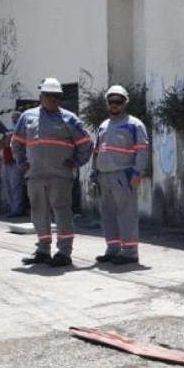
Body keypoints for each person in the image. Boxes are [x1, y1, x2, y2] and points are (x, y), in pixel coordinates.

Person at [12, 78, 93, 267]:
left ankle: (64, 252)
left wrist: (76, 162)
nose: (53, 100)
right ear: (41, 96)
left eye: (57, 96)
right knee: (39, 213)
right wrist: (21, 162)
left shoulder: (69, 119)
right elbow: (16, 142)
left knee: (62, 212)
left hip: (60, 177)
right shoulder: (27, 117)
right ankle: (43, 250)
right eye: (49, 96)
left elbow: (87, 144)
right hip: (35, 176)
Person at [92, 85, 151, 265]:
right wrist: (94, 174)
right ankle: (113, 248)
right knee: (108, 214)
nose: (114, 104)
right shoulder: (103, 125)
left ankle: (130, 251)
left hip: (123, 176)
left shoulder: (134, 124)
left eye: (118, 101)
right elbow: (97, 151)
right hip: (104, 176)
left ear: (124, 103)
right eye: (111, 101)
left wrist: (137, 172)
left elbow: (142, 150)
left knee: (127, 214)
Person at [0, 129, 28, 216]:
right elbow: (1, 144)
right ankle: (13, 208)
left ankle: (18, 209)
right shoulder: (7, 134)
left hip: (15, 164)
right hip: (6, 163)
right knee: (8, 187)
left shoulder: (19, 136)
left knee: (16, 187)